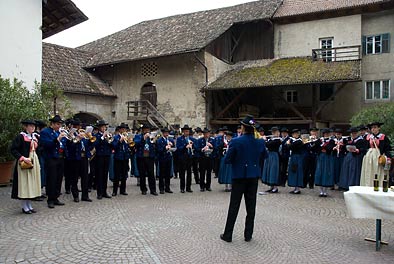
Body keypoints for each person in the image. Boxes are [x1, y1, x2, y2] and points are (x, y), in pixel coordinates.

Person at [220, 115, 266, 243]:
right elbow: (265, 155)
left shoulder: (236, 141)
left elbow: (228, 160)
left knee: (234, 206)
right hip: (253, 176)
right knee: (251, 207)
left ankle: (228, 234)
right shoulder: (260, 141)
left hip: (239, 176)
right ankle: (248, 234)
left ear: (243, 128)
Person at [10, 120, 42, 214]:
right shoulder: (21, 137)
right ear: (26, 127)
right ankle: (24, 206)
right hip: (25, 162)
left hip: (34, 160)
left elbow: (39, 149)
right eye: (31, 126)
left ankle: (29, 204)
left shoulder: (35, 136)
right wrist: (22, 158)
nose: (33, 128)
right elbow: (13, 149)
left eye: (34, 126)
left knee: (31, 183)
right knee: (25, 184)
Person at [40, 115, 67, 208]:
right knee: (51, 179)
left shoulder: (58, 132)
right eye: (57, 124)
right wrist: (58, 139)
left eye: (60, 124)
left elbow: (64, 144)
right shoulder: (45, 132)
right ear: (52, 124)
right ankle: (50, 199)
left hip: (60, 157)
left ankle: (56, 197)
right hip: (51, 158)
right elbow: (46, 144)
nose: (59, 126)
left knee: (59, 179)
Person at [64, 119, 93, 202]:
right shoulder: (70, 135)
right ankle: (75, 195)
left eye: (79, 126)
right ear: (73, 126)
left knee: (85, 177)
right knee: (74, 178)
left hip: (84, 158)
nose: (78, 128)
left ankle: (85, 195)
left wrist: (89, 139)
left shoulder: (84, 134)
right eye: (76, 126)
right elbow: (70, 147)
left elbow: (88, 146)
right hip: (75, 159)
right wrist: (77, 139)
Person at [360, 122, 391, 186]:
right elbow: (364, 147)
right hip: (369, 156)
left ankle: (379, 185)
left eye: (375, 127)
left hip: (379, 156)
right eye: (372, 128)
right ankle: (368, 184)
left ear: (379, 128)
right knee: (369, 170)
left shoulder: (383, 137)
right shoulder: (368, 137)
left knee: (379, 171)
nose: (373, 129)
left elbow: (387, 148)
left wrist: (388, 157)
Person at [134, 124, 158, 195]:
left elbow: (154, 145)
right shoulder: (138, 136)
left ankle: (153, 190)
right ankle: (143, 189)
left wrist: (154, 140)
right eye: (145, 129)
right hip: (141, 157)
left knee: (151, 174)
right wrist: (143, 138)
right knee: (142, 174)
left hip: (150, 157)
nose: (147, 131)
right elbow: (136, 144)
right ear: (142, 130)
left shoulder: (151, 136)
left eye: (148, 129)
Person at [93, 120, 113, 199]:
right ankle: (99, 193)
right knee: (99, 174)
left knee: (105, 174)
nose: (104, 128)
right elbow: (96, 144)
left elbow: (111, 145)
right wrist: (102, 137)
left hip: (107, 155)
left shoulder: (108, 135)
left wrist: (110, 140)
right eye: (102, 127)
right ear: (99, 127)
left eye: (105, 127)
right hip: (99, 156)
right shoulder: (97, 136)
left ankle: (104, 192)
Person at [314, 129, 335, 197]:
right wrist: (322, 148)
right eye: (325, 133)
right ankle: (321, 191)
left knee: (326, 172)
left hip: (328, 158)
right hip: (321, 157)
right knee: (319, 172)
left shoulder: (331, 141)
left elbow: (330, 148)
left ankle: (325, 191)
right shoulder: (319, 140)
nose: (326, 134)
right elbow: (315, 148)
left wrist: (323, 147)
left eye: (327, 133)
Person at [111, 123, 130, 196]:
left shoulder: (127, 137)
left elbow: (130, 145)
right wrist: (120, 141)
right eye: (122, 129)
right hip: (118, 157)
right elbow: (113, 146)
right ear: (120, 130)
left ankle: (123, 190)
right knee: (117, 175)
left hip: (125, 157)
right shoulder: (116, 137)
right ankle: (114, 191)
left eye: (125, 129)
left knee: (124, 174)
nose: (124, 130)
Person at [261, 127, 281, 193]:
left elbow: (269, 145)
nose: (273, 133)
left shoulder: (278, 140)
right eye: (272, 132)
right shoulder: (271, 139)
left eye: (275, 132)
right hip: (269, 155)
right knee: (268, 170)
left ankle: (275, 188)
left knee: (273, 170)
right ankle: (271, 187)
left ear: (278, 133)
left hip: (274, 155)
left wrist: (264, 140)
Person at [176, 125, 195, 193]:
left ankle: (188, 187)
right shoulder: (179, 139)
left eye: (188, 131)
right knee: (182, 173)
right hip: (182, 157)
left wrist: (193, 146)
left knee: (189, 173)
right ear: (183, 132)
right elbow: (178, 148)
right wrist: (185, 146)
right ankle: (182, 188)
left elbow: (195, 147)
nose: (187, 132)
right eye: (185, 131)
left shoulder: (191, 139)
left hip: (189, 157)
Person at [156, 128, 175, 194]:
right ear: (163, 133)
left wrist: (172, 146)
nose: (166, 134)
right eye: (165, 133)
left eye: (167, 133)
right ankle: (161, 188)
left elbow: (174, 147)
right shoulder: (159, 140)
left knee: (168, 174)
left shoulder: (170, 140)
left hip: (169, 158)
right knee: (162, 174)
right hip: (162, 158)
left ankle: (167, 187)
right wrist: (165, 147)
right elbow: (159, 149)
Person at [287, 129, 305, 194]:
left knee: (297, 171)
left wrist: (288, 144)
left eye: (296, 134)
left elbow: (291, 147)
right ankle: (295, 187)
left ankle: (297, 188)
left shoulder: (299, 141)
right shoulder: (293, 140)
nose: (295, 135)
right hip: (293, 157)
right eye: (294, 134)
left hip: (297, 157)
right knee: (293, 171)